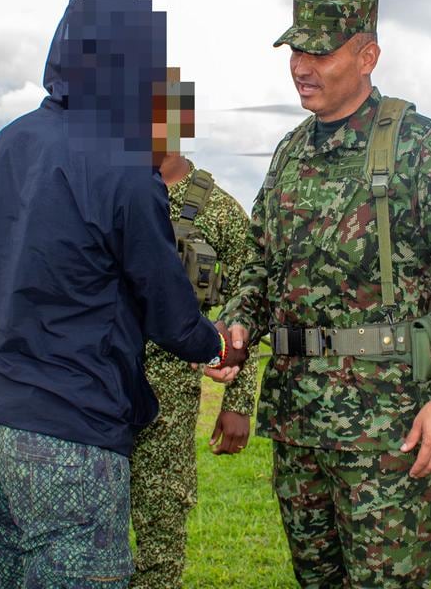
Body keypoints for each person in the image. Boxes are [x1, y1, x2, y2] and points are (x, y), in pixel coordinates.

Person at [219, 0, 431, 588]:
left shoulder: (421, 149)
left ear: (368, 56)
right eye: (295, 51)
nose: (302, 66)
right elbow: (260, 261)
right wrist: (239, 321)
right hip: (299, 418)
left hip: (387, 424)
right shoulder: (292, 151)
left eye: (320, 53)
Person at [0, 0, 245, 589]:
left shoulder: (9, 143)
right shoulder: (122, 164)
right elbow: (167, 306)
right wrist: (217, 346)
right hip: (70, 437)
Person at [129, 146, 258, 589]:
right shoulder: (112, 188)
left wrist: (239, 400)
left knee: (161, 537)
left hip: (170, 399)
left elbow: (250, 301)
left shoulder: (218, 210)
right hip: (97, 387)